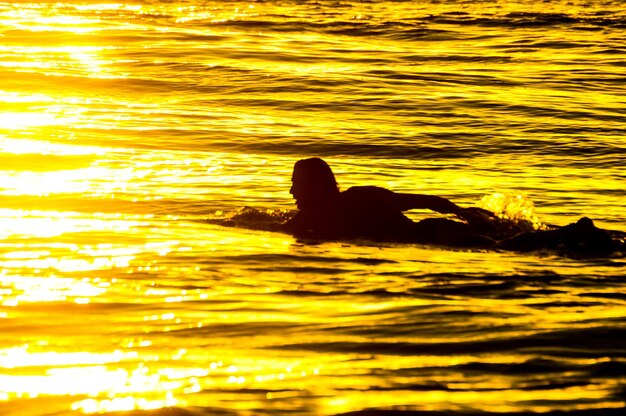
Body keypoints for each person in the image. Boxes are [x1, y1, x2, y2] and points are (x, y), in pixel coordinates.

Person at [282, 157, 621, 253]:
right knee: (509, 242)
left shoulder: (311, 221)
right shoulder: (361, 194)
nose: (291, 191)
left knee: (514, 249)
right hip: (436, 228)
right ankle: (573, 233)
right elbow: (430, 201)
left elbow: (271, 226)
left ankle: (577, 233)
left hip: (433, 240)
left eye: (296, 184)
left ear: (314, 185)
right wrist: (462, 212)